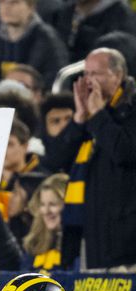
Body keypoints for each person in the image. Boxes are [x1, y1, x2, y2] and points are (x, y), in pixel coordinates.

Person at [43, 48, 136, 271]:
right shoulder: (88, 115)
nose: (89, 81)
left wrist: (97, 116)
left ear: (118, 75)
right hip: (87, 235)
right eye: (86, 74)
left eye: (97, 74)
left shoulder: (130, 110)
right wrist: (78, 119)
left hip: (126, 241)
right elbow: (55, 159)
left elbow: (124, 151)